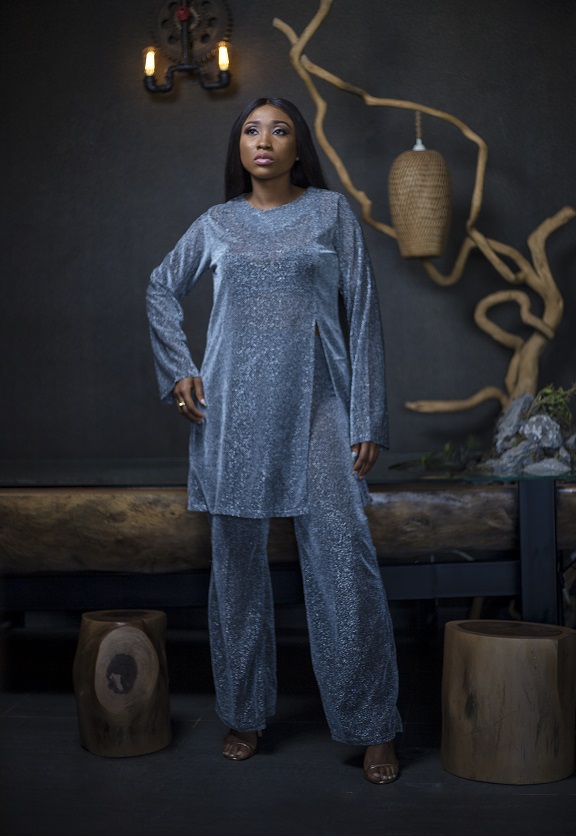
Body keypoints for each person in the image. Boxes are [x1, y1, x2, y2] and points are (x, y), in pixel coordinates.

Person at [146, 97, 402, 784]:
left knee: (345, 558)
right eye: (252, 130)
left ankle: (374, 723)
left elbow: (364, 311)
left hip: (320, 403)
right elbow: (161, 287)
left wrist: (367, 416)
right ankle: (244, 713)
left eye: (279, 130)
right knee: (235, 568)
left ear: (296, 147)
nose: (264, 140)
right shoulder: (217, 224)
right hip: (231, 412)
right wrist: (180, 371)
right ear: (239, 147)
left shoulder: (331, 213)